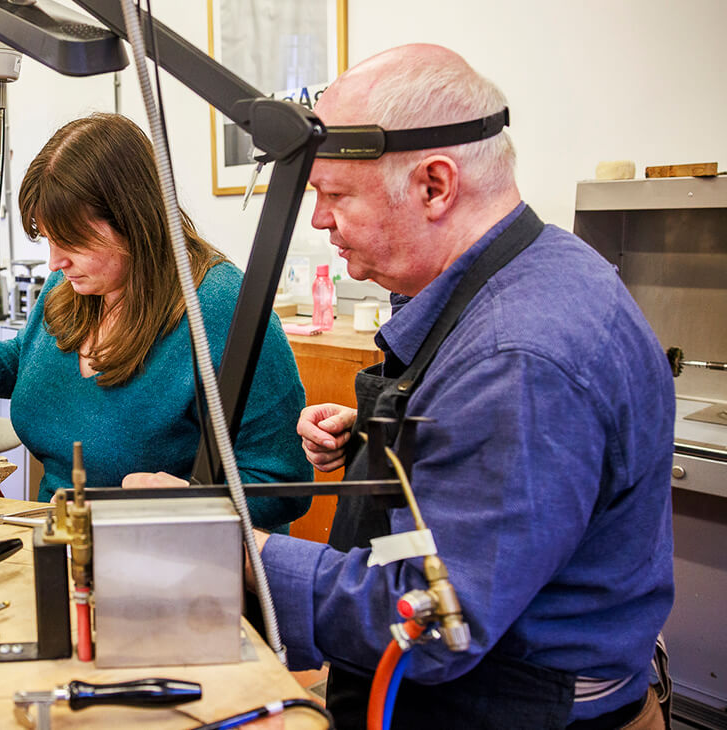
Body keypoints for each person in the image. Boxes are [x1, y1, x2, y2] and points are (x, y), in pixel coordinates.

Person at [256, 45, 672, 728]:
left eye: (336, 195)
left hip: (512, 703)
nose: (319, 221)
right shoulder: (530, 272)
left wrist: (242, 552)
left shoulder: (519, 356)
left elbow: (434, 623)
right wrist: (372, 443)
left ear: (434, 185)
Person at [0, 113, 312, 530]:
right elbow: (29, 360)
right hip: (61, 539)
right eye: (48, 239)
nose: (55, 261)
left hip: (166, 558)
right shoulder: (72, 285)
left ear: (133, 219)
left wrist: (192, 502)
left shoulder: (222, 310)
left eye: (73, 241)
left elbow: (280, 482)